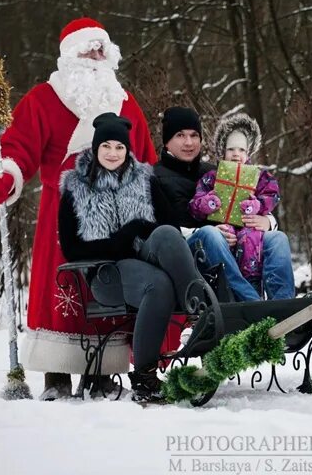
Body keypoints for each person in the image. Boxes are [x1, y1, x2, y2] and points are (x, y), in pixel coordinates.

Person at [0, 17, 157, 400]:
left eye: (102, 49)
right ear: (70, 56)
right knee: (60, 289)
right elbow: (18, 146)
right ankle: (57, 376)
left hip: (114, 216)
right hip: (60, 212)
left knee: (107, 289)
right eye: (88, 49)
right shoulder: (45, 98)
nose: (96, 56)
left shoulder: (125, 101)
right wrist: (8, 172)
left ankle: (101, 372)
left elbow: (147, 161)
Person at [58, 113, 212, 402]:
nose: (113, 153)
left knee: (166, 234)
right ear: (95, 149)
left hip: (145, 256)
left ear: (128, 150)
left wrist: (141, 230)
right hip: (106, 272)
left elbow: (168, 225)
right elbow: (72, 248)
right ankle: (144, 376)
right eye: (107, 146)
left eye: (120, 147)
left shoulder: (144, 179)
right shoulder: (76, 188)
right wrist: (121, 239)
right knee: (158, 284)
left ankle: (201, 312)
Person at [153, 107, 295, 302]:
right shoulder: (154, 177)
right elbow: (160, 230)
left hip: (233, 243)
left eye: (194, 135)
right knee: (211, 235)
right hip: (190, 252)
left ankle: (285, 306)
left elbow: (250, 201)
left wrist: (267, 221)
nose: (188, 142)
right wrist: (205, 231)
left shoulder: (217, 172)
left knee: (277, 239)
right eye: (180, 135)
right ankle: (252, 302)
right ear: (167, 141)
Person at [189, 113, 281, 291]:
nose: (236, 154)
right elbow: (195, 205)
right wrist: (207, 203)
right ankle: (228, 286)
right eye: (231, 149)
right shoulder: (211, 177)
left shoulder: (259, 176)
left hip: (250, 230)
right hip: (224, 228)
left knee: (251, 237)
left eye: (241, 150)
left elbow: (272, 194)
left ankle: (254, 283)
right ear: (223, 151)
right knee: (227, 238)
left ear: (249, 153)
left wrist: (258, 206)